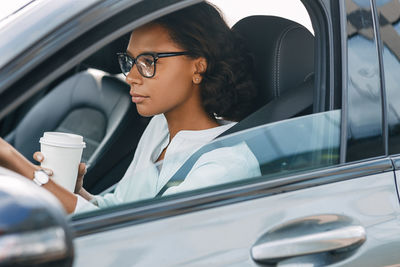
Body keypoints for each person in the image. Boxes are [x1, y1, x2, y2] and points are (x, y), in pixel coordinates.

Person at [0, 2, 261, 214]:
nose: (131, 77)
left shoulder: (225, 164)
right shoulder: (160, 127)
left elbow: (133, 236)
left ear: (198, 66)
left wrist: (19, 164)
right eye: (130, 61)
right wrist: (76, 191)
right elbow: (118, 211)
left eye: (149, 61)